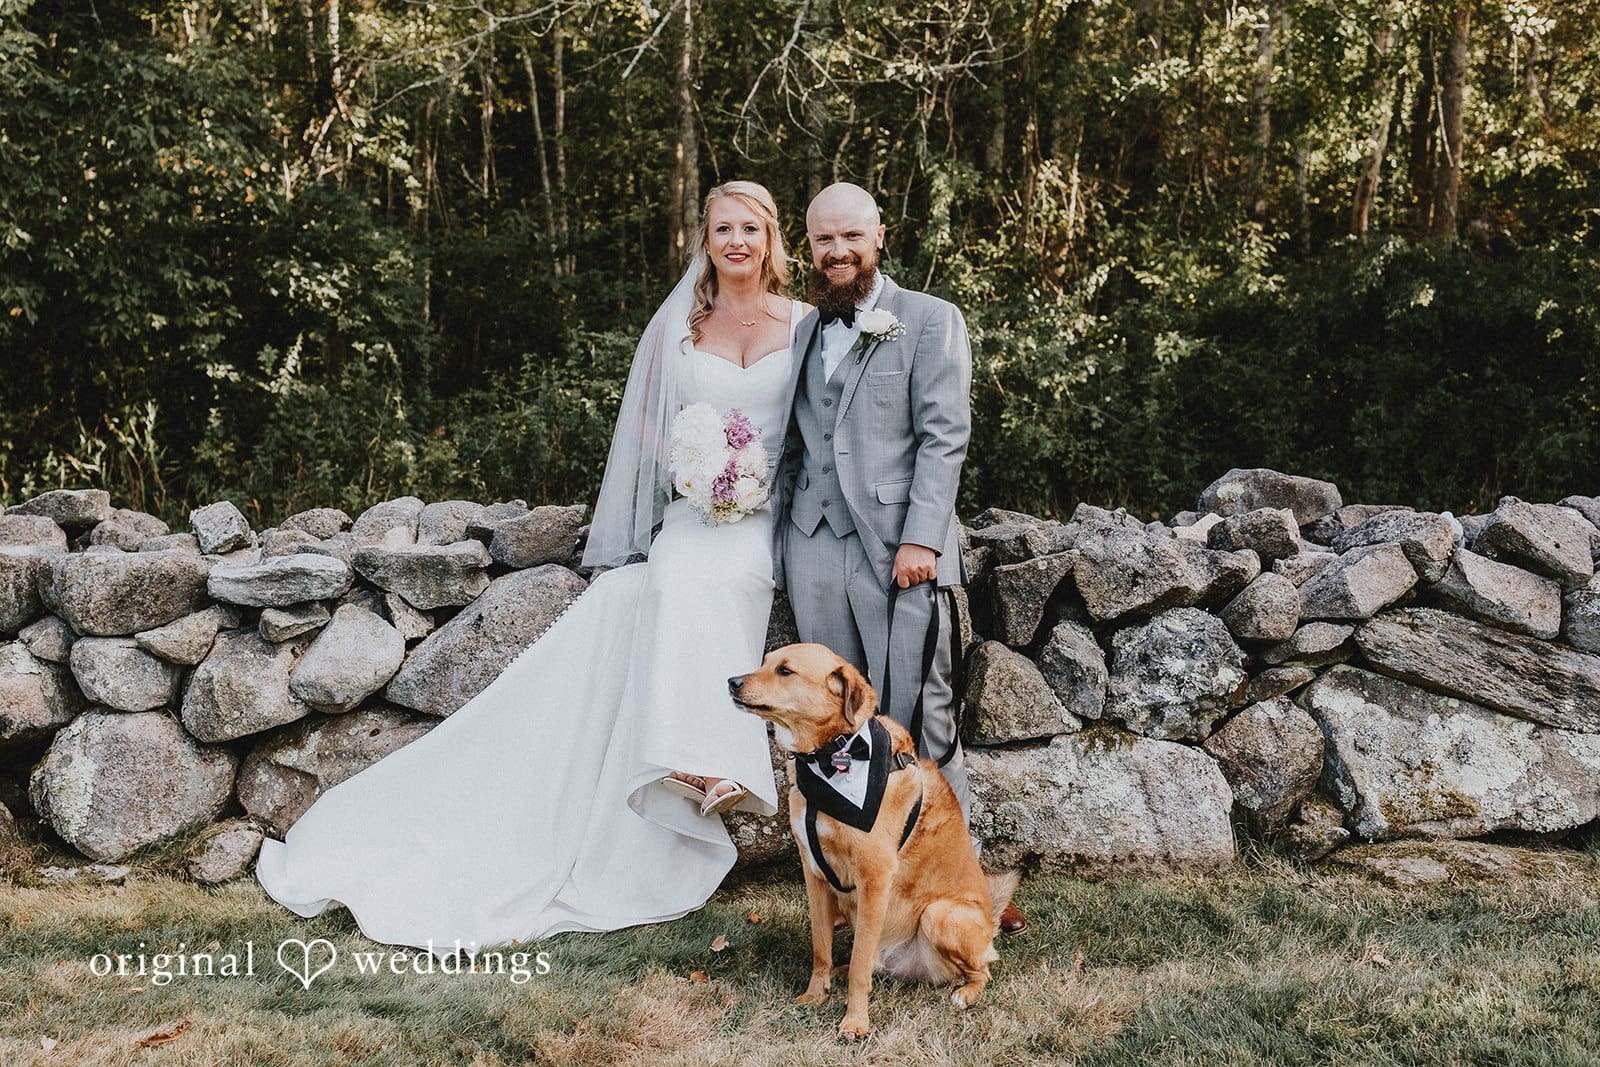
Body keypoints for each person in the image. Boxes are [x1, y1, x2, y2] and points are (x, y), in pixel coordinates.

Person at [255, 180, 807, 954]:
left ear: (772, 235)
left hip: (761, 515)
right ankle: (700, 766)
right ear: (706, 238)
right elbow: (648, 430)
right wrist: (695, 470)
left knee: (735, 576)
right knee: (675, 569)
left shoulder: (804, 325)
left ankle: (717, 760)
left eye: (750, 227)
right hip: (695, 512)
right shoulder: (681, 324)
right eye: (723, 228)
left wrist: (753, 478)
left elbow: (818, 428)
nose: (737, 241)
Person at [773, 181, 1026, 934]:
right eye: (824, 240)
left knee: (923, 721)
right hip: (814, 548)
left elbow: (945, 436)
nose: (838, 250)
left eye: (852, 236)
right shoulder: (799, 333)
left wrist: (922, 535)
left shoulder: (929, 320)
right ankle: (856, 894)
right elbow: (792, 442)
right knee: (832, 732)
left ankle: (964, 888)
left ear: (880, 234)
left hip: (900, 552)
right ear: (809, 246)